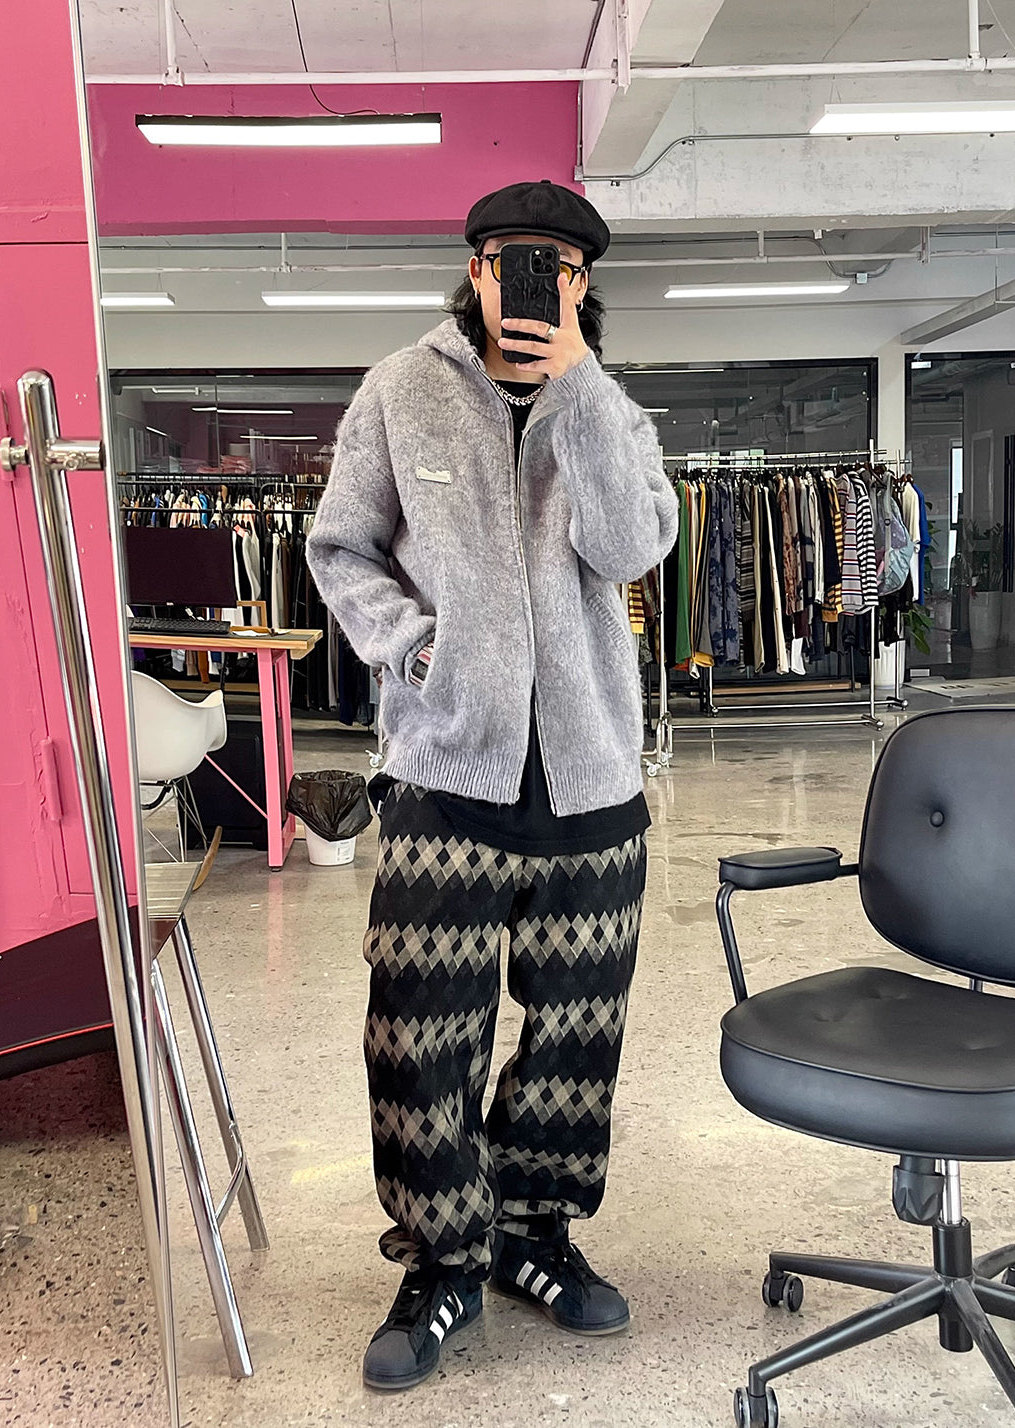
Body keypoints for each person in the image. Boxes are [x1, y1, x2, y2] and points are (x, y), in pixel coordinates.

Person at [306, 179, 678, 1392]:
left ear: (582, 284)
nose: (533, 283)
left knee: (575, 1037)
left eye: (557, 267)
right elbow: (338, 545)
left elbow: (633, 547)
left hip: (590, 782)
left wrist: (582, 391)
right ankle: (444, 1257)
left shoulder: (610, 408)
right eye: (513, 260)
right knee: (420, 1035)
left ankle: (533, 1233)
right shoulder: (398, 391)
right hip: (444, 773)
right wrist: (414, 650)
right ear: (474, 269)